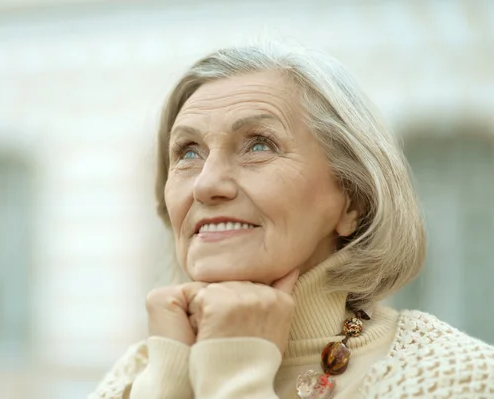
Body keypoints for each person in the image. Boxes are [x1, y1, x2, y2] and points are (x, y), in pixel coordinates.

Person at [90, 43, 494, 399]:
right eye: (188, 152)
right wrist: (166, 384)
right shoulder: (132, 377)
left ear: (351, 201)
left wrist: (233, 376)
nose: (206, 184)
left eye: (259, 145)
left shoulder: (455, 378)